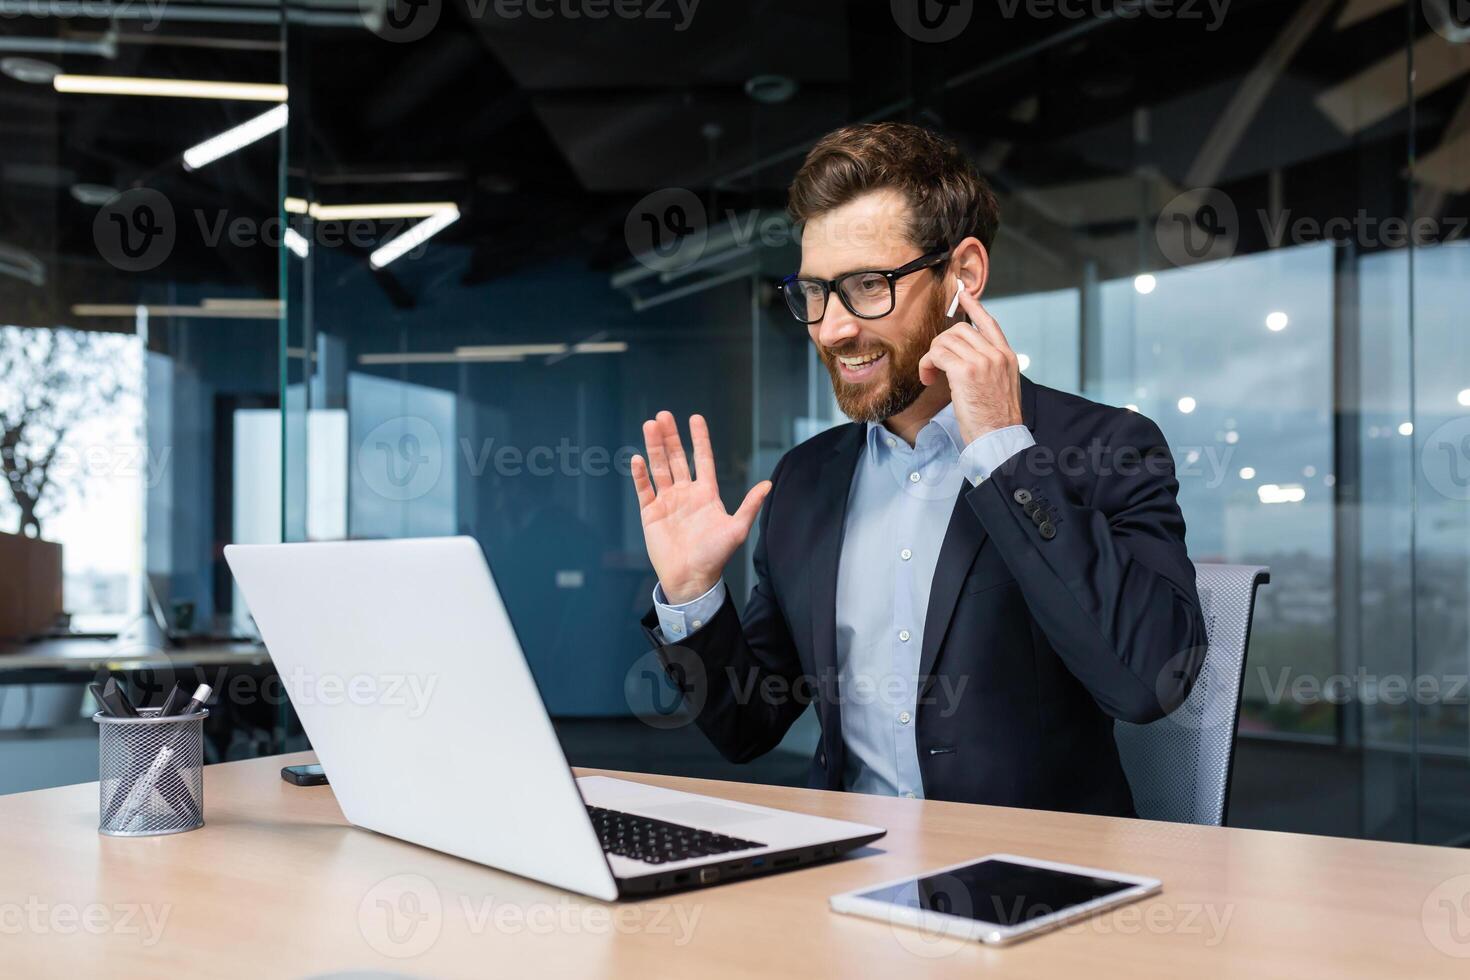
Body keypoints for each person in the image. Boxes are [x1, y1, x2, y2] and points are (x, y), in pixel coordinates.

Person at [629, 122, 1205, 816]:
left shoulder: (1108, 446)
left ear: (962, 276)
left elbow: (1148, 684)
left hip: (1034, 888)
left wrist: (1002, 451)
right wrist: (694, 598)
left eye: (869, 285)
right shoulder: (806, 481)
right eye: (815, 294)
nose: (835, 328)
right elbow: (748, 727)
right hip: (845, 880)